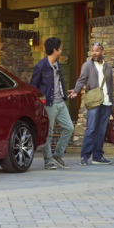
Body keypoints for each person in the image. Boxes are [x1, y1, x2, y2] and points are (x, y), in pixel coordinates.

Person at [29, 37, 75, 170]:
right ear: (55, 50)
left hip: (61, 102)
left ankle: (58, 155)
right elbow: (34, 87)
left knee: (69, 128)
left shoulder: (57, 64)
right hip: (49, 104)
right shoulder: (40, 66)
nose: (61, 50)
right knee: (48, 133)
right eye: (60, 48)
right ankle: (48, 160)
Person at [68, 43, 114, 166]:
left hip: (106, 102)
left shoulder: (108, 67)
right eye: (93, 51)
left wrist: (113, 104)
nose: (94, 53)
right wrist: (76, 91)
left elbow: (110, 86)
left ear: (102, 52)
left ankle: (98, 156)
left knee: (102, 130)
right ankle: (84, 156)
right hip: (94, 101)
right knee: (91, 129)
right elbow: (81, 80)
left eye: (97, 51)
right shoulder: (87, 65)